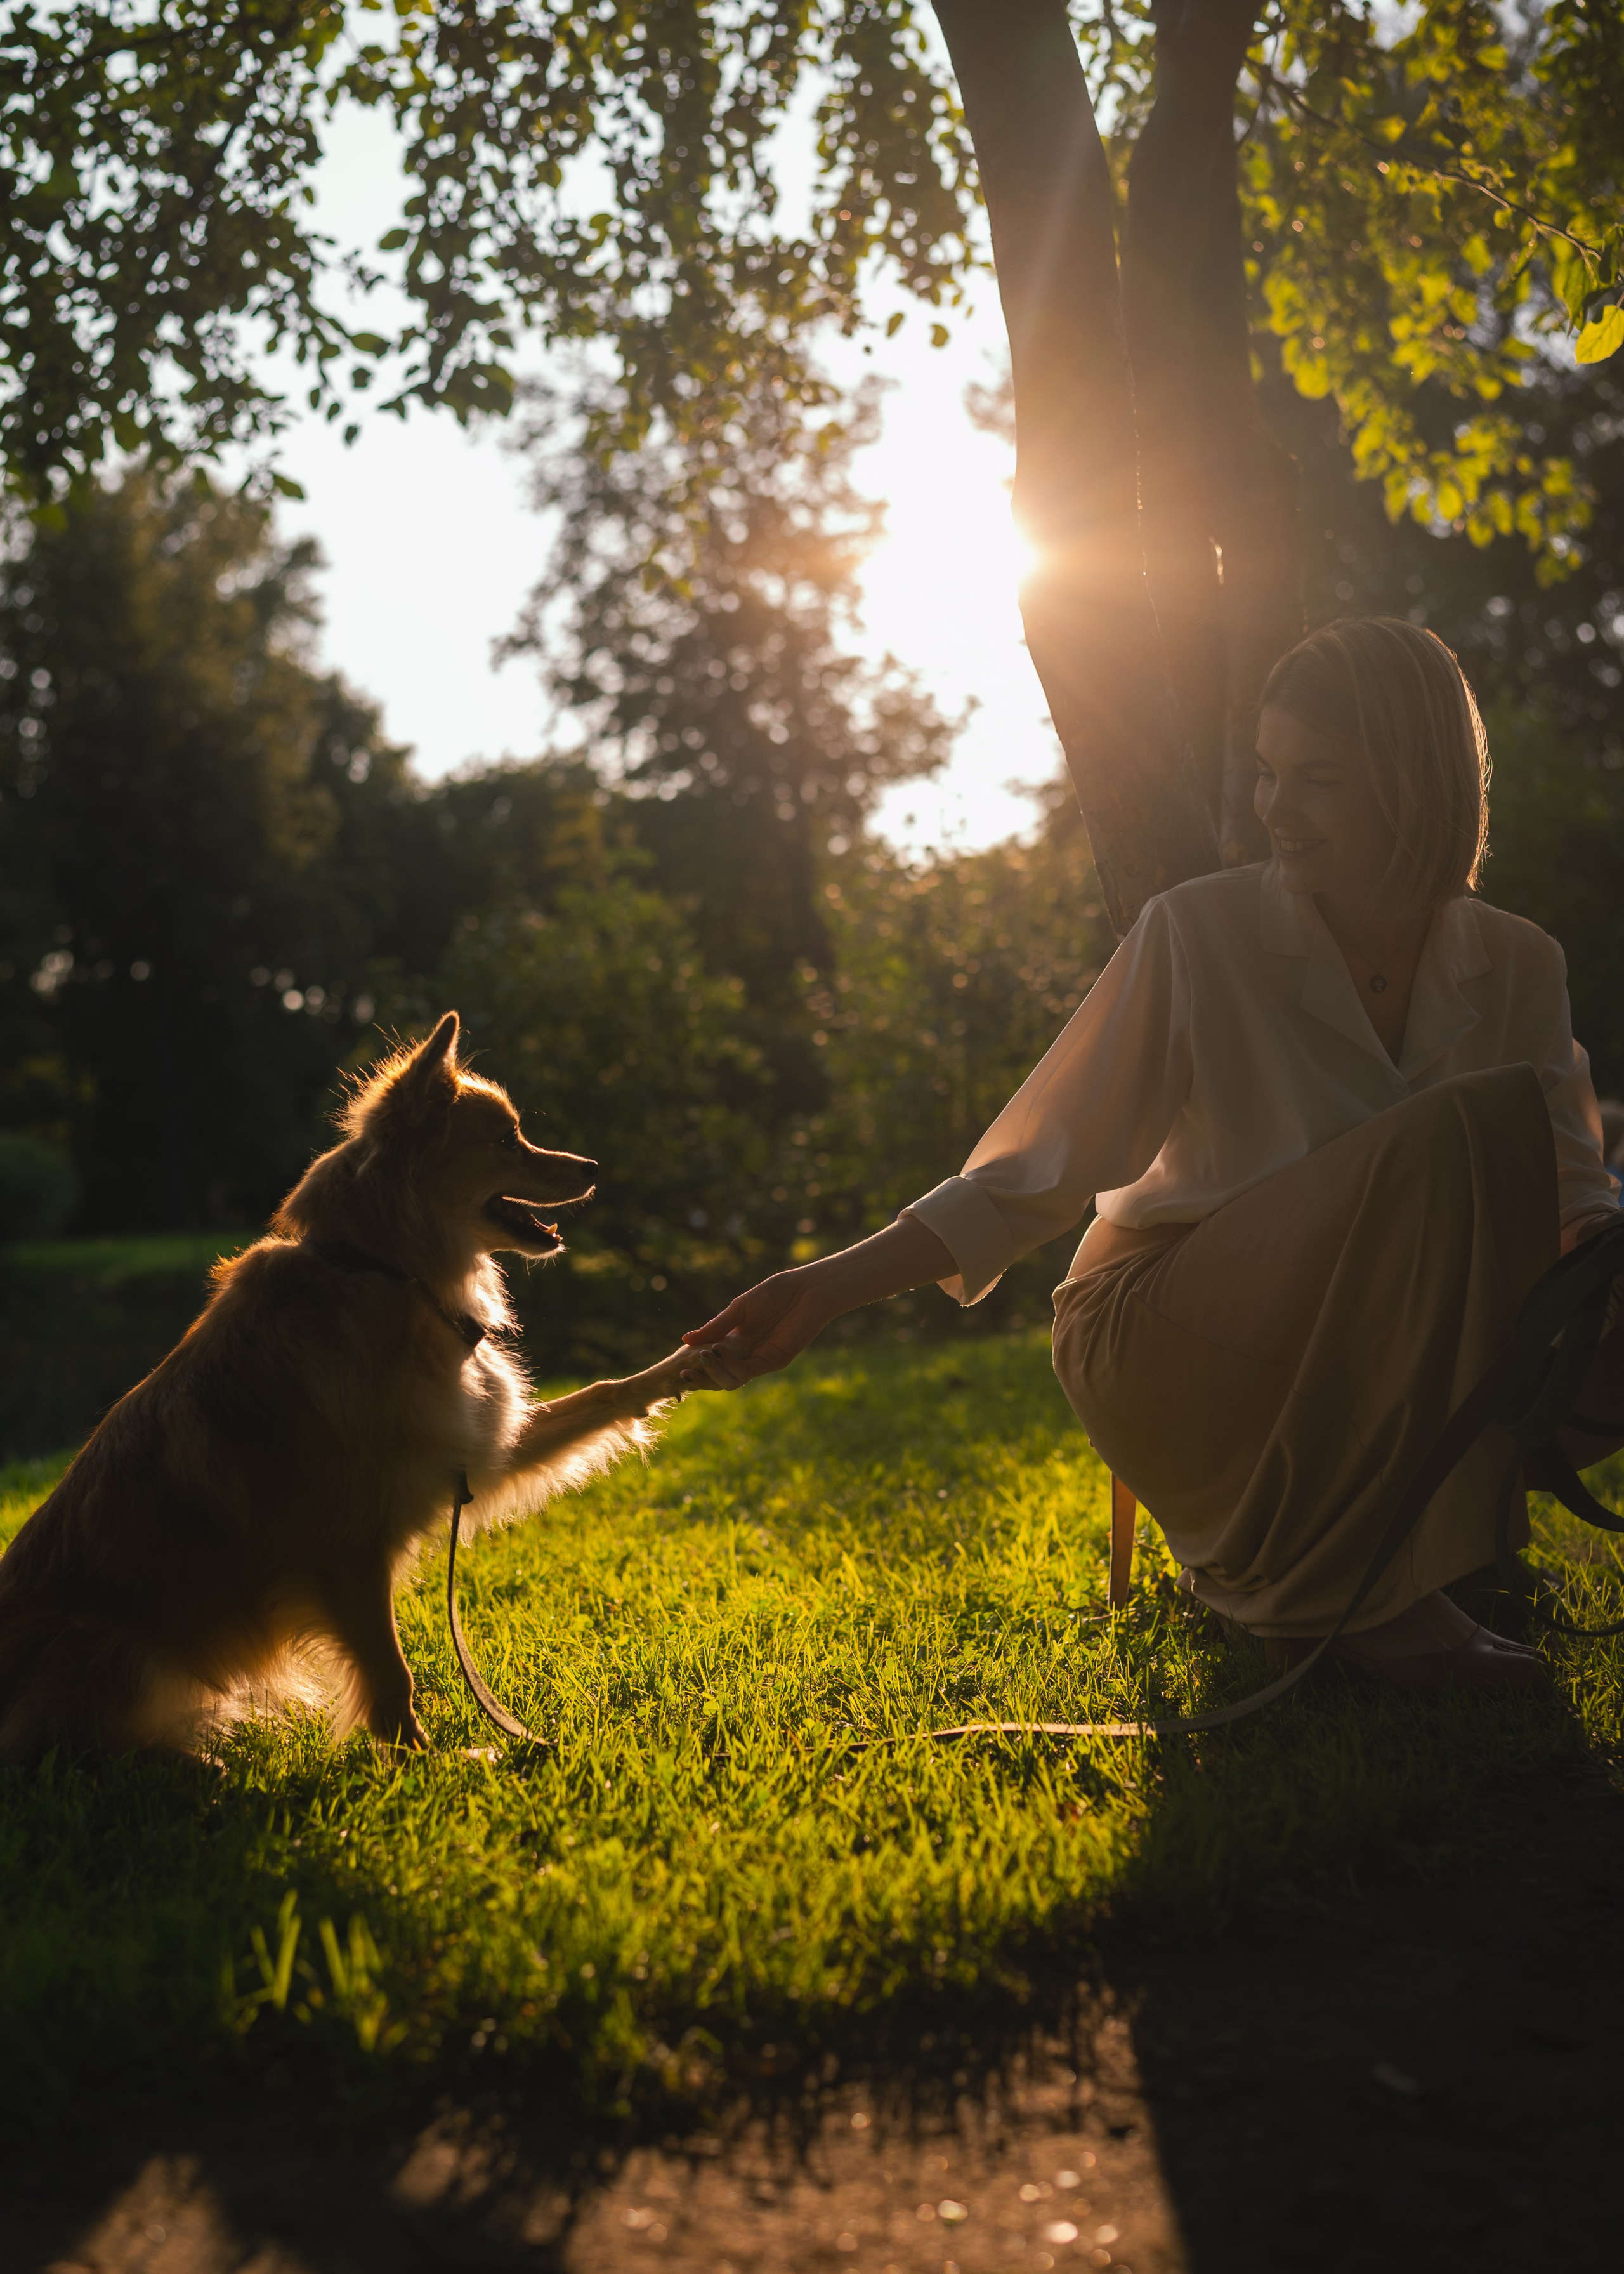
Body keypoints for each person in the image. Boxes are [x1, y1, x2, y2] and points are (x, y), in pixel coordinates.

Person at [683, 619, 1624, 1692]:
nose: (1274, 811)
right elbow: (1031, 1172)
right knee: (1458, 1134)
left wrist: (1599, 1246)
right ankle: (1352, 1604)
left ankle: (1390, 1558)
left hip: (1372, 1350)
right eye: (1268, 774)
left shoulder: (1520, 964)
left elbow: (1570, 1189)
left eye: (1316, 779)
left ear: (1418, 782)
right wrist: (823, 1288)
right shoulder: (1200, 933)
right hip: (1164, 1328)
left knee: (1565, 1242)